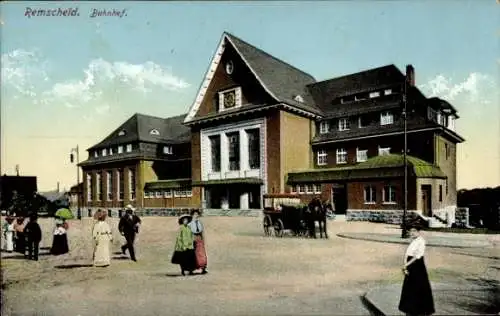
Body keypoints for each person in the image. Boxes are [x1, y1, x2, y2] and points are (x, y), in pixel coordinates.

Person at [398, 222, 435, 316]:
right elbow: (407, 254)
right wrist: (404, 265)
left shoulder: (421, 241)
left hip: (417, 266)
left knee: (418, 288)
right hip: (410, 265)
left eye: (414, 231)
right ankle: (410, 310)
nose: (412, 233)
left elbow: (417, 256)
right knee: (409, 289)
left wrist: (406, 265)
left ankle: (419, 310)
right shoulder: (413, 241)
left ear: (419, 232)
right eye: (410, 231)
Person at [188, 209, 208, 274]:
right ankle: (191, 269)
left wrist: (203, 240)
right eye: (195, 214)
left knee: (201, 254)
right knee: (193, 254)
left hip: (199, 239)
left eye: (197, 214)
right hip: (193, 239)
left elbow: (201, 232)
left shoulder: (199, 223)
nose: (196, 216)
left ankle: (203, 268)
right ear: (192, 215)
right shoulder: (190, 224)